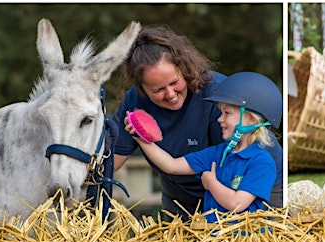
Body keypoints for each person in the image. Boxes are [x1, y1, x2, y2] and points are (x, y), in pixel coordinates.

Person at [112, 25, 283, 222]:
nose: (170, 94)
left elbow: (236, 200)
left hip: (247, 190)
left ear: (184, 70)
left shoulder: (217, 96)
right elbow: (170, 166)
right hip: (190, 193)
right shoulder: (134, 104)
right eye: (158, 89)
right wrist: (139, 137)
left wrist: (211, 188)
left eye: (174, 82)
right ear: (141, 88)